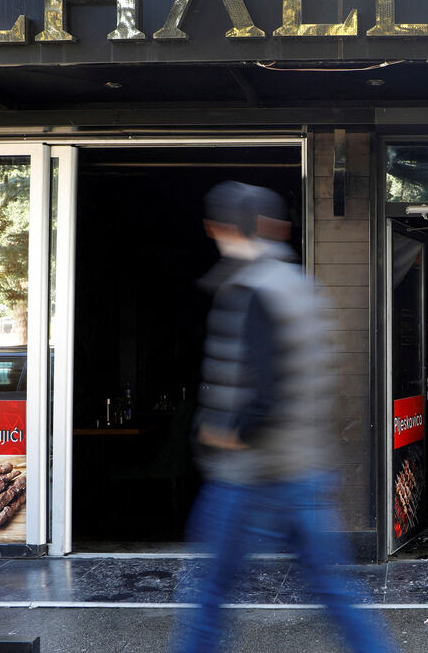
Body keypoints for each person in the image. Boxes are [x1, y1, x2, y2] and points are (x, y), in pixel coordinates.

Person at [170, 181, 396, 653]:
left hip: (249, 476)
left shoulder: (251, 290)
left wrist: (226, 434)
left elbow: (268, 393)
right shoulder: (304, 287)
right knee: (334, 592)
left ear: (220, 227)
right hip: (307, 472)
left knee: (209, 592)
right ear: (277, 227)